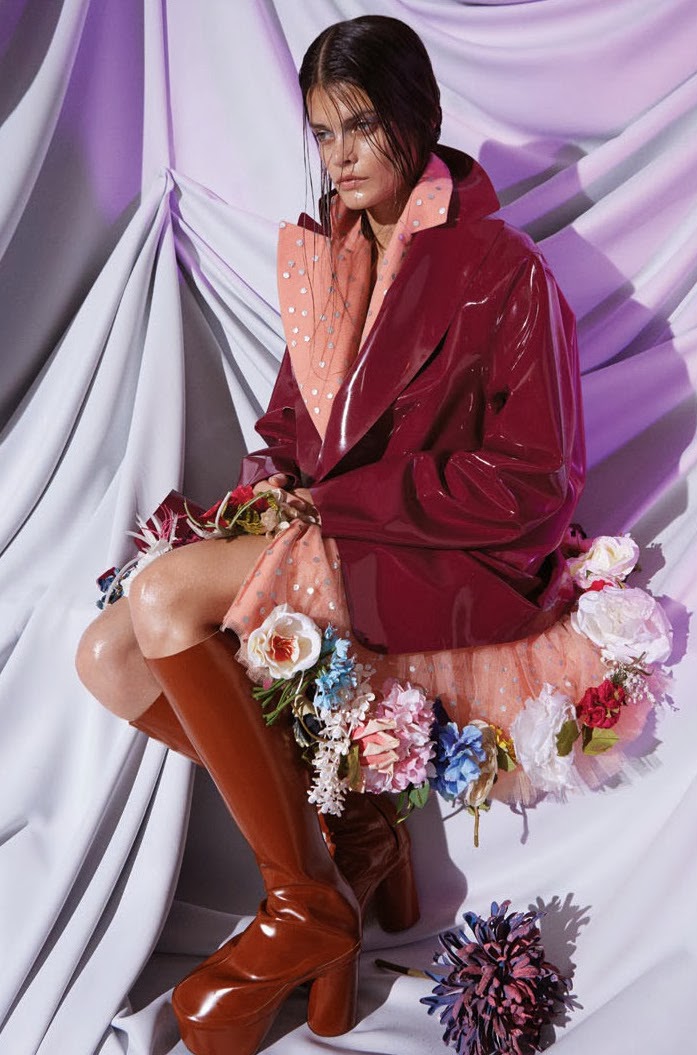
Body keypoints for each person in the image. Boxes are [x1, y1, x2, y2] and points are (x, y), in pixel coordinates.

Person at [76, 14, 606, 1055]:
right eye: (323, 132)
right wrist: (274, 481)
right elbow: (294, 424)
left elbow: (535, 483)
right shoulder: (333, 249)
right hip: (346, 537)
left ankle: (302, 906)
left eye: (361, 126)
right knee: (106, 655)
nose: (342, 155)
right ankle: (347, 844)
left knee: (164, 598)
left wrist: (341, 501)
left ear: (417, 117)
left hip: (447, 555)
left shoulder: (502, 269)